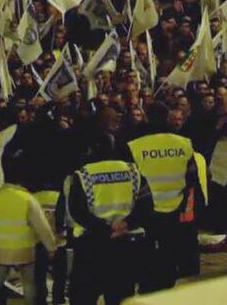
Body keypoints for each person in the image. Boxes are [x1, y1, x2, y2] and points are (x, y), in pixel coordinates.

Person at [127, 102, 205, 292]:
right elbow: (192, 176)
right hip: (176, 208)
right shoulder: (184, 143)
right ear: (167, 118)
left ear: (146, 117)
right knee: (170, 259)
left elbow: (131, 178)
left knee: (149, 260)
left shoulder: (135, 146)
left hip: (147, 210)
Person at [67, 153, 145, 305]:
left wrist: (106, 229)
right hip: (125, 243)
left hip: (91, 244)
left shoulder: (83, 175)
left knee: (83, 296)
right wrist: (126, 223)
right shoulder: (133, 171)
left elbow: (77, 211)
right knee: (120, 295)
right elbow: (146, 205)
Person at [0, 179, 56, 305]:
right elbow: (42, 227)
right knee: (28, 283)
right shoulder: (28, 199)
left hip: (0, 248)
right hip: (24, 248)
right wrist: (51, 247)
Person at [33, 189, 68, 305]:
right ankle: (58, 300)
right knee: (60, 278)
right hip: (59, 242)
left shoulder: (34, 197)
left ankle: (40, 301)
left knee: (39, 277)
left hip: (39, 242)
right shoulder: (61, 197)